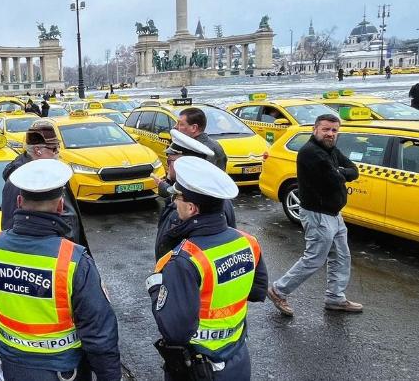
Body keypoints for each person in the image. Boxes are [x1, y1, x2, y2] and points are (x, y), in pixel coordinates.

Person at [0, 159, 121, 381]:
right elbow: (98, 332)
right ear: (60, 206)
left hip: (14, 365)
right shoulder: (72, 259)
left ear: (19, 201)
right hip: (64, 370)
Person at [146, 157, 267, 380]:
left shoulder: (184, 260)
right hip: (237, 356)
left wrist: (155, 288)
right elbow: (258, 292)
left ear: (191, 208)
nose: (175, 201)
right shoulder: (248, 242)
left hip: (199, 366)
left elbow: (175, 332)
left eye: (177, 197)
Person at [268, 113, 362, 316]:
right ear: (315, 130)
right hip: (318, 215)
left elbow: (354, 171)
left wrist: (340, 172)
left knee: (342, 256)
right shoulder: (311, 152)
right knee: (314, 258)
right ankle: (278, 290)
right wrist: (340, 173)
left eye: (334, 130)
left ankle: (335, 298)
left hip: (334, 214)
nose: (330, 133)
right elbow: (334, 179)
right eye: (326, 129)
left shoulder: (331, 149)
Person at [1, 120, 90, 251]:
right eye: (54, 148)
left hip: (66, 249)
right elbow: (10, 227)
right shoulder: (20, 181)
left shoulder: (53, 170)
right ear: (38, 150)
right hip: (50, 253)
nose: (58, 152)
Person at [152, 130, 236, 259]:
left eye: (170, 161)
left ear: (185, 162)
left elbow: (167, 255)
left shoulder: (181, 207)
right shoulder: (217, 197)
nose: (167, 165)